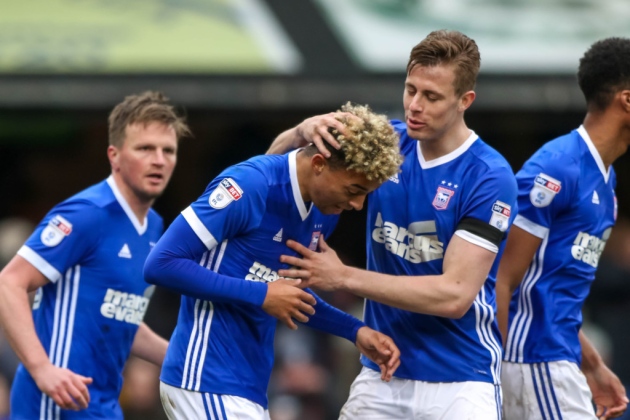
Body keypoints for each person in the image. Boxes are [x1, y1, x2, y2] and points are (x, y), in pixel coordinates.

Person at [269, 30, 518, 419]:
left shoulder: (488, 176)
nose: (414, 106)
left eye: (432, 96)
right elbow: (270, 172)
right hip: (382, 373)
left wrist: (343, 276)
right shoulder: (385, 143)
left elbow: (454, 296)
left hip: (461, 380)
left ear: (464, 101)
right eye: (410, 89)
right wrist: (301, 132)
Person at [143, 102, 403, 420]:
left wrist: (354, 330)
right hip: (204, 378)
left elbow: (288, 296)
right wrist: (262, 294)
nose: (358, 204)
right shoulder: (249, 185)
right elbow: (161, 263)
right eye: (354, 189)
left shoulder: (324, 211)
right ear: (319, 164)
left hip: (248, 386)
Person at [0, 91, 190, 419]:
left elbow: (122, 316)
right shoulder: (86, 213)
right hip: (54, 404)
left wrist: (187, 361)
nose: (159, 160)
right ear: (114, 156)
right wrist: (42, 369)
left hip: (102, 404)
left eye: (168, 150)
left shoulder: (155, 227)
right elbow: (9, 283)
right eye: (145, 148)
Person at [496, 37, 630, 420]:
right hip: (532, 362)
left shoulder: (605, 179)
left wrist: (593, 365)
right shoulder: (556, 168)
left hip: (557, 359)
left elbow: (554, 294)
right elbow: (500, 277)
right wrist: (494, 369)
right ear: (626, 100)